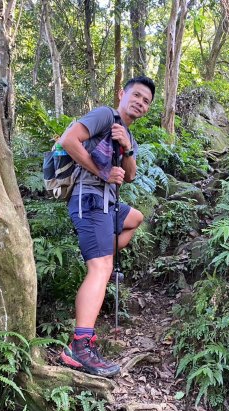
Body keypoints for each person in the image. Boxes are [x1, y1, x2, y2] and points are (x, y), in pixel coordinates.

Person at [58, 76, 155, 377]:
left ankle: (99, 251)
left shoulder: (127, 134)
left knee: (136, 219)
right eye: (136, 95)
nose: (140, 102)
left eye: (146, 101)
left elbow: (130, 176)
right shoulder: (103, 115)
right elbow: (68, 141)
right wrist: (100, 171)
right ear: (122, 94)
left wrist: (126, 148)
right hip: (89, 199)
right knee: (101, 268)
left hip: (108, 204)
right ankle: (80, 345)